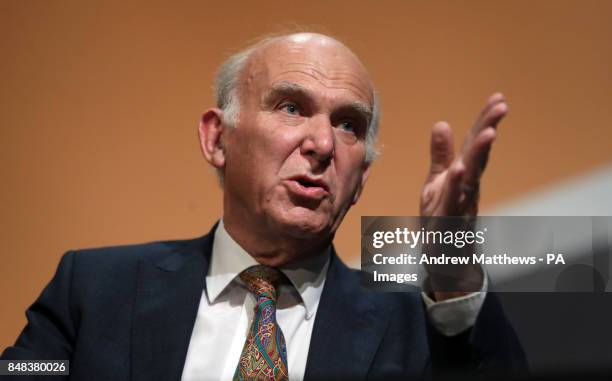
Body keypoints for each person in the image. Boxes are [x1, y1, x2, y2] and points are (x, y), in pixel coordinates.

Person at [1, 32, 526, 380]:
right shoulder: (93, 290)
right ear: (217, 138)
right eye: (291, 107)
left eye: (349, 125)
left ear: (361, 175)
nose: (323, 143)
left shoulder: (415, 324)